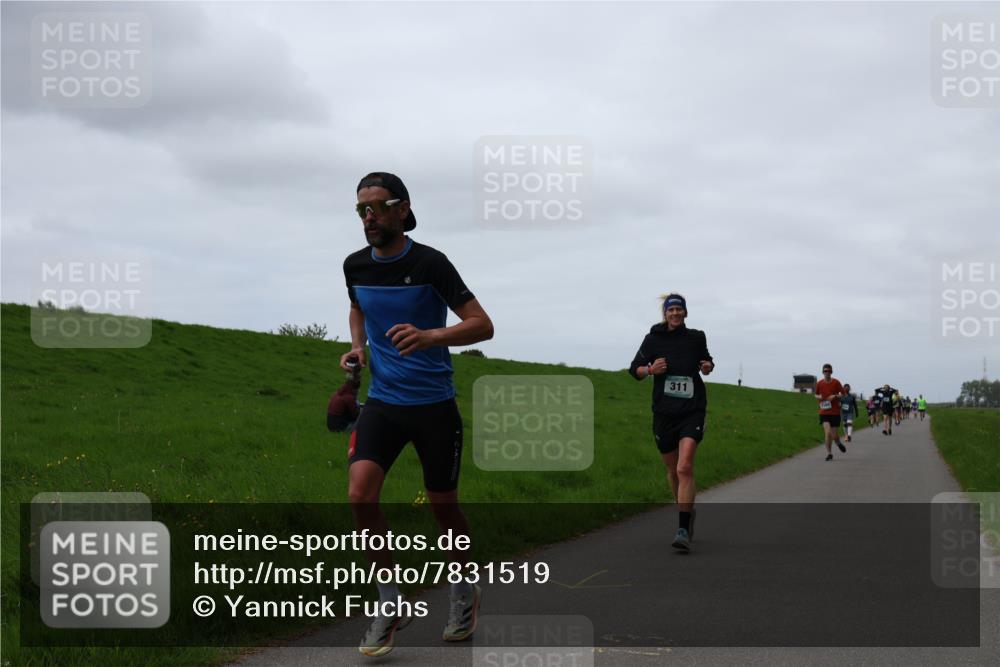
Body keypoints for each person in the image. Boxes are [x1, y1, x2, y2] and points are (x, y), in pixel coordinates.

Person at [342, 172, 494, 656]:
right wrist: (359, 348)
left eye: (378, 206)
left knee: (443, 508)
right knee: (360, 495)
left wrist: (431, 336)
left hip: (434, 407)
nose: (369, 216)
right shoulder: (354, 265)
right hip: (384, 403)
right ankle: (390, 603)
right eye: (361, 208)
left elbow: (482, 325)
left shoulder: (431, 263)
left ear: (403, 209)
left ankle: (463, 591)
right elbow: (357, 307)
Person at [629, 293, 714, 552]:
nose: (675, 313)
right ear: (665, 314)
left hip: (692, 410)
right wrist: (650, 370)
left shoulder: (696, 337)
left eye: (679, 309)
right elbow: (634, 369)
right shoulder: (653, 339)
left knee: (684, 467)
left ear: (685, 313)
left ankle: (682, 529)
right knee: (672, 471)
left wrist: (707, 366)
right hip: (664, 413)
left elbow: (707, 360)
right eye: (671, 309)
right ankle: (686, 513)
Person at [815, 364, 846, 461]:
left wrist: (835, 396)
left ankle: (838, 443)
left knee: (834, 435)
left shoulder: (836, 382)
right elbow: (815, 395)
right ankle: (829, 453)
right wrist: (819, 397)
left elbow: (843, 394)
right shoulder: (819, 383)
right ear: (823, 372)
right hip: (824, 412)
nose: (827, 373)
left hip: (835, 412)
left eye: (828, 371)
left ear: (831, 372)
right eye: (825, 371)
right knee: (827, 432)